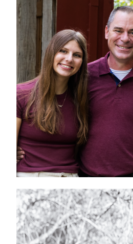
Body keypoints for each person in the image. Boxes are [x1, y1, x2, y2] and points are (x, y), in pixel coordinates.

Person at [79, 7, 133, 177]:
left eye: (132, 32)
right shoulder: (83, 76)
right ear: (107, 32)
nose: (125, 38)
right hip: (86, 177)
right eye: (118, 31)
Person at [16, 30, 89, 177]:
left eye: (77, 55)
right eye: (63, 51)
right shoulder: (21, 94)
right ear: (51, 53)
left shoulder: (81, 100)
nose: (69, 59)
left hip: (69, 178)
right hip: (29, 177)